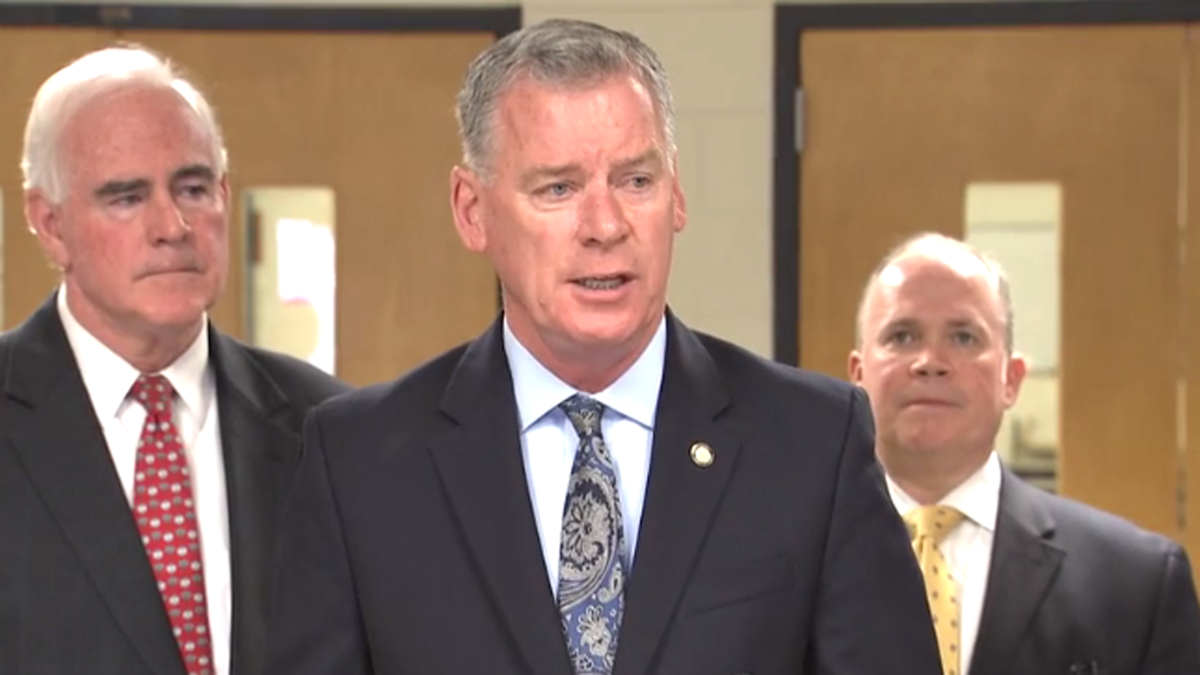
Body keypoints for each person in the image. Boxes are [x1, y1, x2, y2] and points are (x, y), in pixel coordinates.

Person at [265, 18, 941, 675]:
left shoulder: (814, 444)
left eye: (635, 181)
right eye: (558, 188)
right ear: (473, 209)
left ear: (676, 194)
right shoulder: (360, 465)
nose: (605, 224)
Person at [0, 46, 349, 675]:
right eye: (126, 197)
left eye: (192, 188)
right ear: (49, 224)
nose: (172, 225)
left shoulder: (330, 427)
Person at [848, 232, 1200, 675]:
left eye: (963, 337)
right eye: (902, 336)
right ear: (857, 377)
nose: (930, 361)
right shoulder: (779, 567)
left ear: (1010, 379)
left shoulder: (1138, 583)